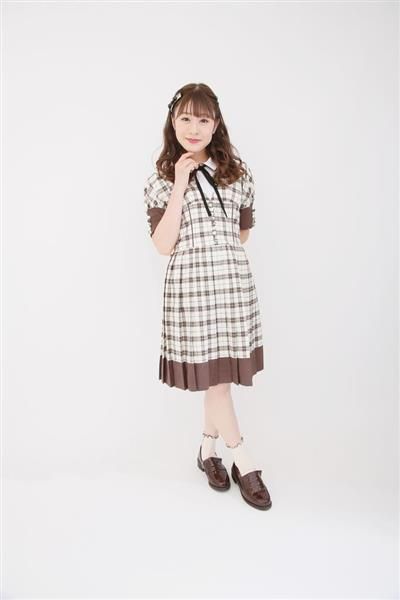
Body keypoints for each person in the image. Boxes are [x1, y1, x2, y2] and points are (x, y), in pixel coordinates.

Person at [144, 83, 271, 511]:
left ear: (215, 124)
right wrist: (181, 182)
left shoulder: (237, 173)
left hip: (233, 287)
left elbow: (242, 233)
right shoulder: (161, 180)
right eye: (185, 118)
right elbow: (163, 244)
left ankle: (207, 451)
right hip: (191, 291)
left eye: (203, 119)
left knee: (219, 380)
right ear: (173, 122)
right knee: (218, 382)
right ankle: (245, 462)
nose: (193, 128)